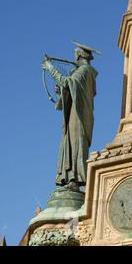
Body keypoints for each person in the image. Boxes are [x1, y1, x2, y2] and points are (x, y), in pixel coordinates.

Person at [42, 42, 99, 191]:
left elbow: (68, 82)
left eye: (75, 55)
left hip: (78, 117)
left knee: (75, 145)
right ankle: (69, 177)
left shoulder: (85, 70)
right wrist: (61, 92)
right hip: (77, 114)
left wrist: (50, 68)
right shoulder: (86, 73)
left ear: (79, 55)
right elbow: (71, 88)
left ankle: (75, 179)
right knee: (71, 144)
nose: (74, 58)